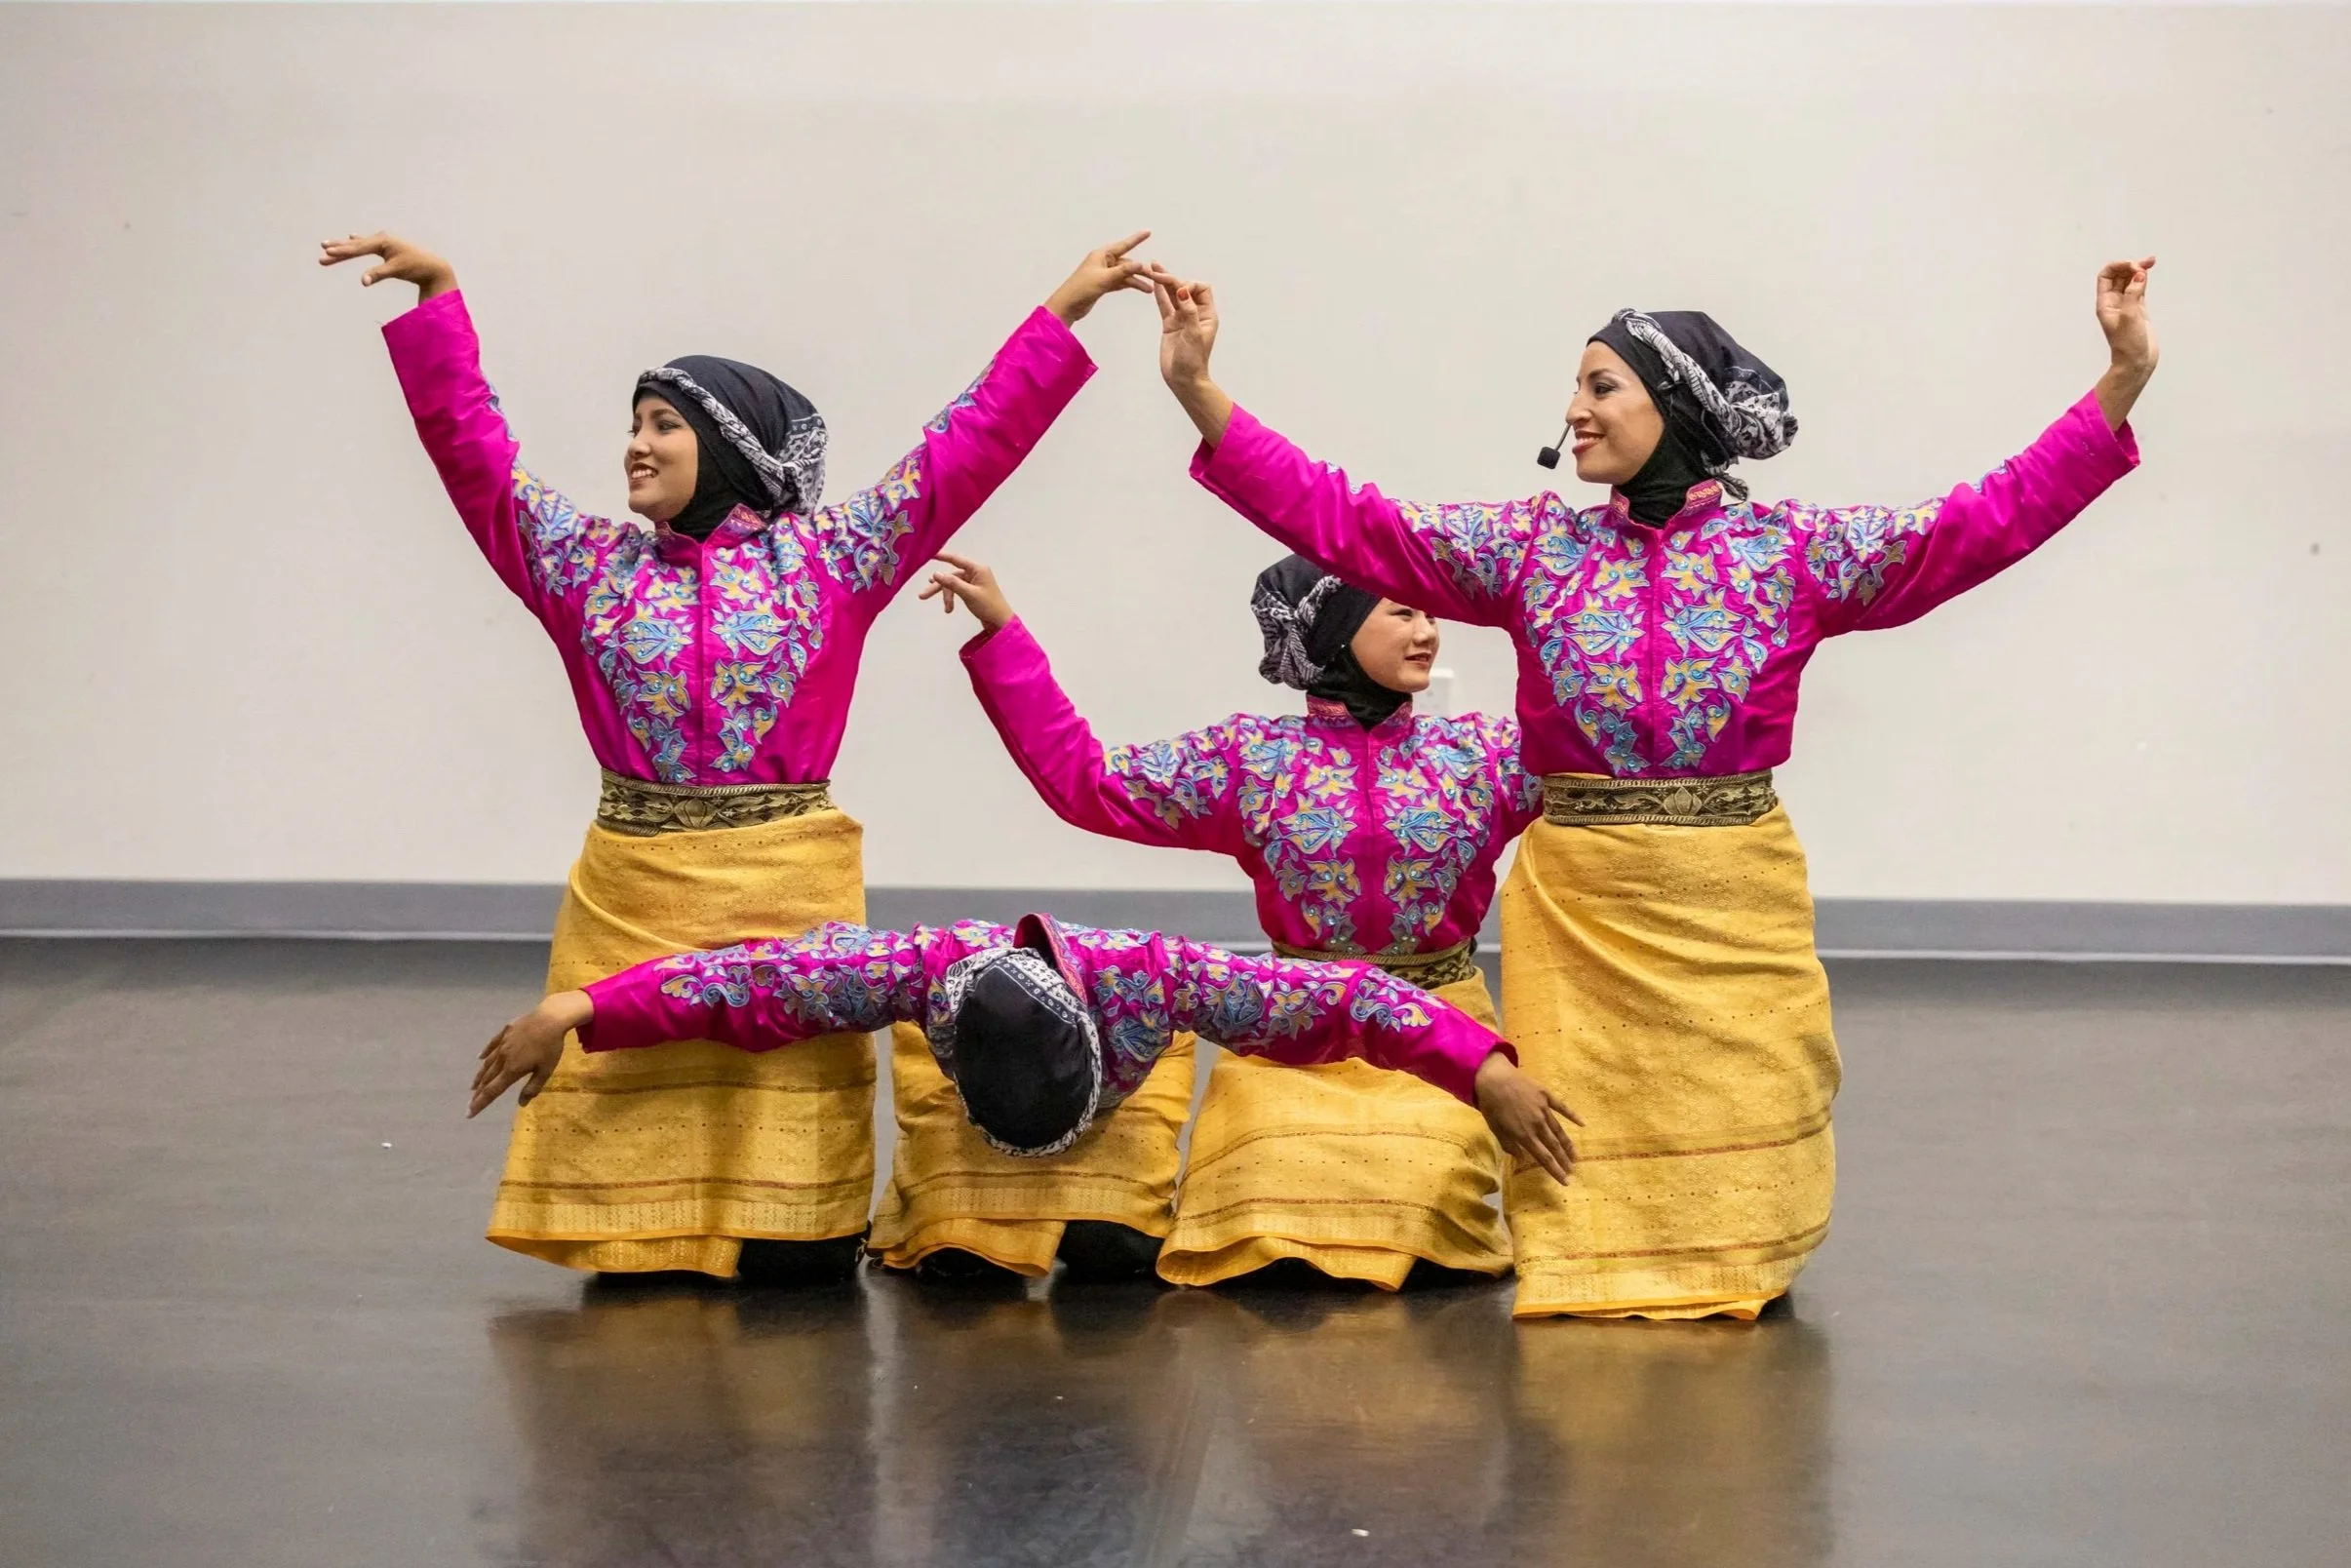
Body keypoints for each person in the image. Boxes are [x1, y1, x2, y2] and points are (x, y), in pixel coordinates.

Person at [1148, 257, 2157, 1318]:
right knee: (1581, 1142)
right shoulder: (1533, 551)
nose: (1573, 412)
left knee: (1752, 1124)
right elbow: (1350, 520)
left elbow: (1974, 525)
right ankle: (1590, 1266)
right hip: (1583, 909)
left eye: (1599, 386)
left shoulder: (1786, 553)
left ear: (1672, 403)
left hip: (1732, 902)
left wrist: (2120, 378)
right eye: (1576, 389)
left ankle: (1731, 1260)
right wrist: (1198, 390)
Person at [321, 228, 1152, 1283]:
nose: (635, 443)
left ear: (733, 447)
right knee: (636, 1249)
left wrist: (1063, 310)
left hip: (784, 889)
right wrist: (439, 301)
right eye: (631, 423)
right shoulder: (582, 566)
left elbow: (964, 448)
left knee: (790, 1248)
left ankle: (802, 1222)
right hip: (633, 893)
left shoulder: (833, 560)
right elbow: (473, 455)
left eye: (663, 423)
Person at [917, 551, 1543, 1289]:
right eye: (1403, 612)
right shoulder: (1251, 760)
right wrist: (1002, 632)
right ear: (1334, 632)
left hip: (1440, 1038)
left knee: (1420, 1190)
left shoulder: (1484, 756)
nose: (1428, 632)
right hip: (1289, 1035)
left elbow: (1617, 758)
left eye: (1431, 614)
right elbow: (1086, 784)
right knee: (1263, 1196)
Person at [468, 915, 1583, 1195]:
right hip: (971, 1098)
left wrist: (1481, 1066)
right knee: (965, 1268)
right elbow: (756, 980)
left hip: (1128, 1083)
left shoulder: (1166, 980)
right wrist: (582, 1008)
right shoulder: (921, 968)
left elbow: (1339, 997)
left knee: (1103, 1255)